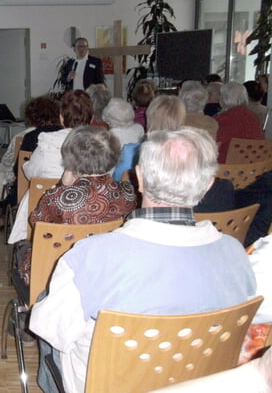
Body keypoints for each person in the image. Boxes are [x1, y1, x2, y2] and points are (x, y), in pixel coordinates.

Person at [29, 127, 256, 393]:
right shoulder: (236, 254)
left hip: (106, 385)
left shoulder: (89, 256)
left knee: (49, 307)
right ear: (208, 185)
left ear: (140, 177)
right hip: (200, 384)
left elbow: (47, 329)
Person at [14, 126, 136, 301]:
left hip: (57, 271)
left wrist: (62, 186)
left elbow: (36, 223)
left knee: (23, 248)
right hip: (109, 270)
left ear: (71, 159)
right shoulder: (128, 192)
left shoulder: (57, 197)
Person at [7, 90, 93, 244]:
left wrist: (26, 164)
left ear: (61, 117)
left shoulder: (48, 143)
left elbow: (30, 173)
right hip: (89, 217)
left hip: (47, 217)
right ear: (92, 118)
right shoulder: (100, 144)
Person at [215, 82, 265, 163]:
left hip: (226, 169)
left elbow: (213, 144)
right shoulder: (253, 118)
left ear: (224, 99)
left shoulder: (222, 119)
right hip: (253, 168)